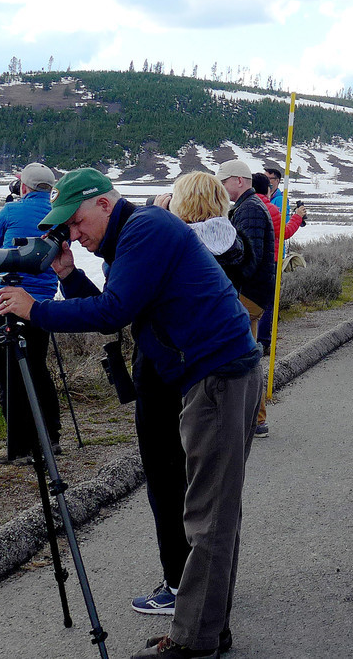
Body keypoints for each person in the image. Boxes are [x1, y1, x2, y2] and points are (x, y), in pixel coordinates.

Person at [0, 167, 262, 659]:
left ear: (102, 203)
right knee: (213, 509)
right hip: (213, 374)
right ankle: (208, 627)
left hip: (219, 376)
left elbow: (111, 314)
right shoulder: (134, 235)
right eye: (69, 230)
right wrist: (68, 276)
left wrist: (35, 311)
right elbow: (119, 307)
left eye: (77, 223)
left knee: (209, 514)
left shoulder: (145, 231)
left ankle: (194, 643)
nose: (75, 234)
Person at [131, 173, 251, 619]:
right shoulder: (230, 242)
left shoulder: (177, 245)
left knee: (169, 482)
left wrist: (158, 214)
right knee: (210, 490)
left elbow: (124, 292)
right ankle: (209, 583)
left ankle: (180, 582)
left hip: (171, 375)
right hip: (213, 370)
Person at [0, 162, 62, 464]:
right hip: (42, 306)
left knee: (8, 373)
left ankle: (20, 447)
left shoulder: (10, 212)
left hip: (5, 302)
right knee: (38, 370)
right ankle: (50, 437)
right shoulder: (57, 214)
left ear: (24, 187)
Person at [217, 159, 275, 438]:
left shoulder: (249, 209)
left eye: (224, 181)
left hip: (248, 294)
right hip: (252, 293)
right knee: (248, 355)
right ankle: (255, 419)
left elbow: (248, 259)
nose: (222, 187)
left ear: (238, 180)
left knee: (244, 357)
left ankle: (253, 419)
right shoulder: (250, 206)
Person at [251, 172, 304, 357]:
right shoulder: (270, 207)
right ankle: (263, 342)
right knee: (268, 303)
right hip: (269, 260)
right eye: (268, 180)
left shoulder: (244, 205)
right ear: (266, 187)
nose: (270, 183)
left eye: (272, 178)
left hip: (249, 262)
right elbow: (284, 232)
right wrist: (298, 217)